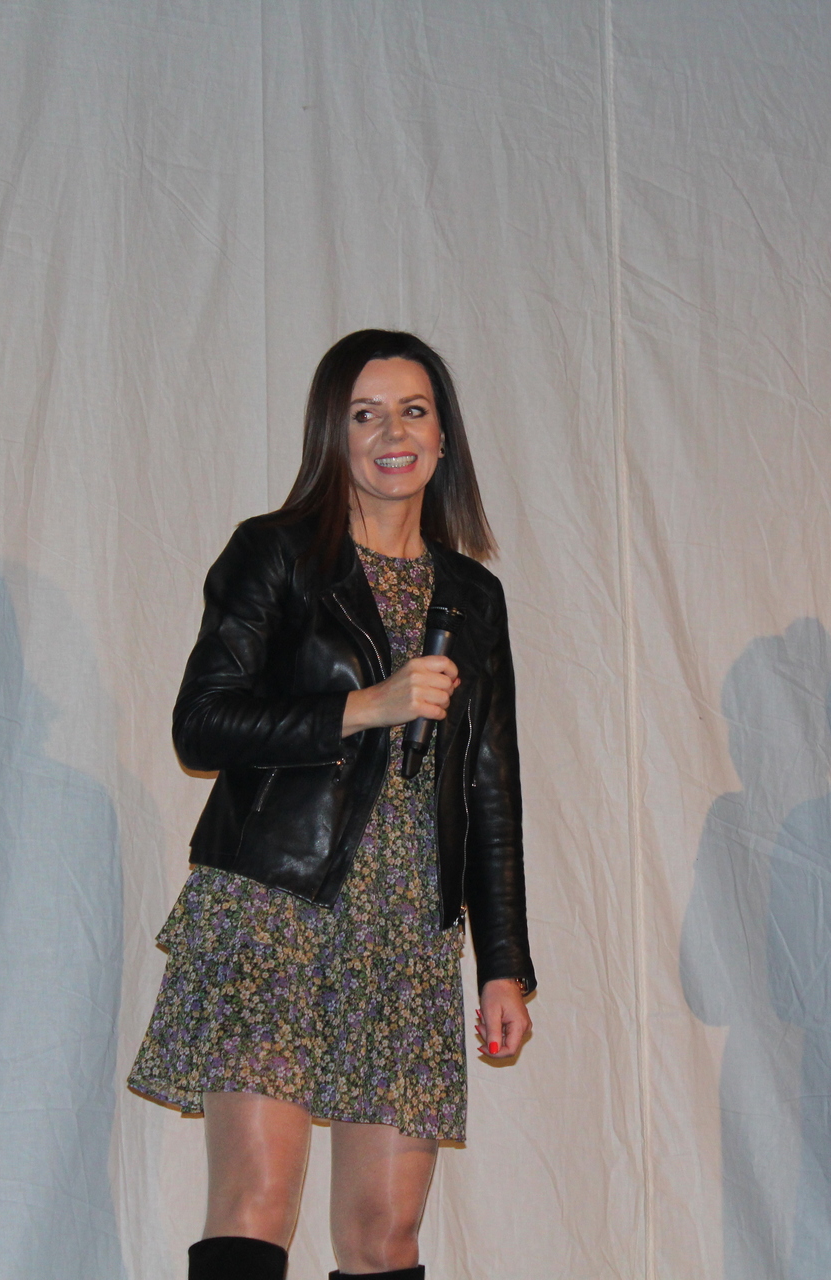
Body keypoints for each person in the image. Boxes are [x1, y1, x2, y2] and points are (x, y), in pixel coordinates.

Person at [128, 330, 535, 1280]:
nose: (393, 433)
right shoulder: (274, 554)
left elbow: (491, 786)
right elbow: (201, 724)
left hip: (406, 928)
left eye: (413, 411)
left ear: (443, 435)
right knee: (256, 1202)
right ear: (332, 434)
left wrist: (503, 965)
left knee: (384, 1235)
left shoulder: (474, 596)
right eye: (366, 414)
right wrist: (364, 707)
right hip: (274, 909)